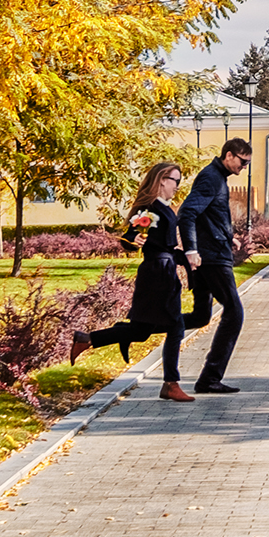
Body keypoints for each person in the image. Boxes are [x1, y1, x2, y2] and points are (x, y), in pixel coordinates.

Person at [70, 162, 197, 402]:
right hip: (157, 274)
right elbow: (129, 234)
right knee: (175, 326)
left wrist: (185, 258)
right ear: (161, 180)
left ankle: (88, 339)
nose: (177, 186)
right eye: (175, 181)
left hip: (163, 270)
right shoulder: (149, 208)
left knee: (140, 331)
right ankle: (171, 384)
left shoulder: (162, 207)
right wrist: (133, 238)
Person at [178, 137, 250, 394]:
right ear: (229, 155)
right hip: (212, 259)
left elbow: (209, 216)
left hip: (213, 253)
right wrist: (192, 250)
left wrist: (229, 235)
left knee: (200, 317)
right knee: (234, 313)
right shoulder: (211, 177)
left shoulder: (217, 178)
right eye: (242, 162)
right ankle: (209, 378)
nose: (244, 168)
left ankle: (139, 327)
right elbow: (187, 213)